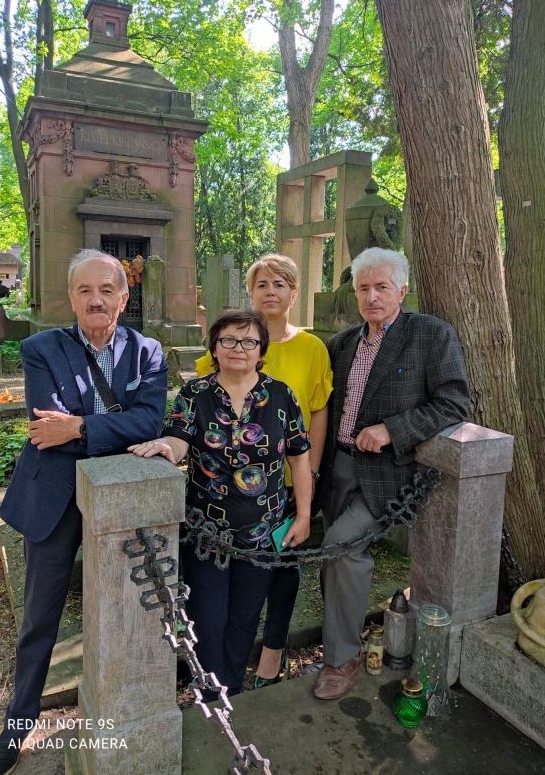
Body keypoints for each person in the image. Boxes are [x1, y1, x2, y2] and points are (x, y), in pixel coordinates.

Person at [0, 249, 168, 775]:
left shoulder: (148, 351)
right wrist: (110, 424)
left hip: (121, 499)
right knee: (39, 619)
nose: (96, 300)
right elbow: (47, 426)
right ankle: (15, 729)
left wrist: (81, 427)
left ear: (123, 297)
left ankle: (121, 708)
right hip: (54, 499)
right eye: (85, 291)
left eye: (107, 290)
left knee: (127, 609)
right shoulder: (41, 347)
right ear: (71, 297)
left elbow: (151, 422)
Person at [312, 246, 470, 700]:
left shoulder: (430, 335)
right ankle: (339, 637)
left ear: (402, 289)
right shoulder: (340, 344)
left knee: (342, 546)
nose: (372, 296)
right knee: (331, 555)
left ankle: (341, 659)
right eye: (363, 288)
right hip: (336, 467)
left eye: (382, 287)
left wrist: (391, 429)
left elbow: (454, 401)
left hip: (389, 473)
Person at [131, 309, 312, 698]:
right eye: (228, 339)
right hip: (205, 534)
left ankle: (230, 690)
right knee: (207, 618)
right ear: (214, 346)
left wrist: (305, 515)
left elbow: (299, 457)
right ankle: (210, 692)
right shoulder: (195, 394)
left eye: (249, 341)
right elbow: (179, 437)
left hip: (262, 533)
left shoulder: (280, 396)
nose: (238, 348)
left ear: (261, 349)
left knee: (245, 618)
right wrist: (166, 447)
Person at [195, 254, 333, 687]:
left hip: (293, 484)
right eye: (262, 285)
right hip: (233, 495)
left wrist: (306, 475)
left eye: (280, 283)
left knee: (283, 572)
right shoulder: (232, 346)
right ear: (251, 294)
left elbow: (317, 411)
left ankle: (272, 655)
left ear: (294, 292)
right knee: (241, 584)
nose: (270, 291)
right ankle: (223, 671)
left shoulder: (312, 348)